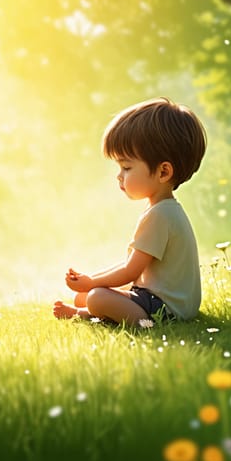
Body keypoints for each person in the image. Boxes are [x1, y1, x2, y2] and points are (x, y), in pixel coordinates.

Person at [53, 97, 207, 326]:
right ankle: (88, 309)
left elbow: (129, 271)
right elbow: (133, 270)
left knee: (96, 296)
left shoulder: (160, 215)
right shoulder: (164, 209)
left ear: (163, 172)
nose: (119, 175)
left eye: (126, 167)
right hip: (164, 298)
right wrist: (91, 281)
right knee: (85, 296)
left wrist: (91, 283)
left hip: (166, 308)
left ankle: (134, 322)